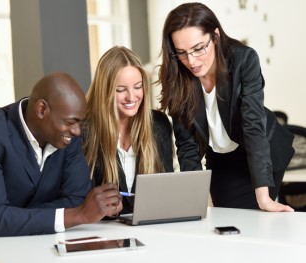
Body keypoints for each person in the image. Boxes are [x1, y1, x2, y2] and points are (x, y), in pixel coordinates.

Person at [0, 72, 122, 240]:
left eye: (79, 122)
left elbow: (78, 199)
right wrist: (78, 215)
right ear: (41, 109)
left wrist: (15, 216)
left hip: (39, 243)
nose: (77, 131)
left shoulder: (69, 136)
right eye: (69, 122)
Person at [158, 3, 295, 211]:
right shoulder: (176, 75)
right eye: (181, 52)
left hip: (257, 152)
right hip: (220, 158)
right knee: (228, 222)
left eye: (198, 48)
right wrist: (194, 201)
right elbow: (186, 145)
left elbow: (253, 127)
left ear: (215, 36)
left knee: (255, 218)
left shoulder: (244, 60)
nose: (192, 61)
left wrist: (265, 198)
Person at [82, 46, 174, 214]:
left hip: (151, 229)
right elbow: (76, 199)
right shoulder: (84, 132)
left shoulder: (158, 125)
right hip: (102, 232)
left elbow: (166, 190)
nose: (131, 97)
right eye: (121, 90)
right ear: (105, 91)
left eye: (138, 87)